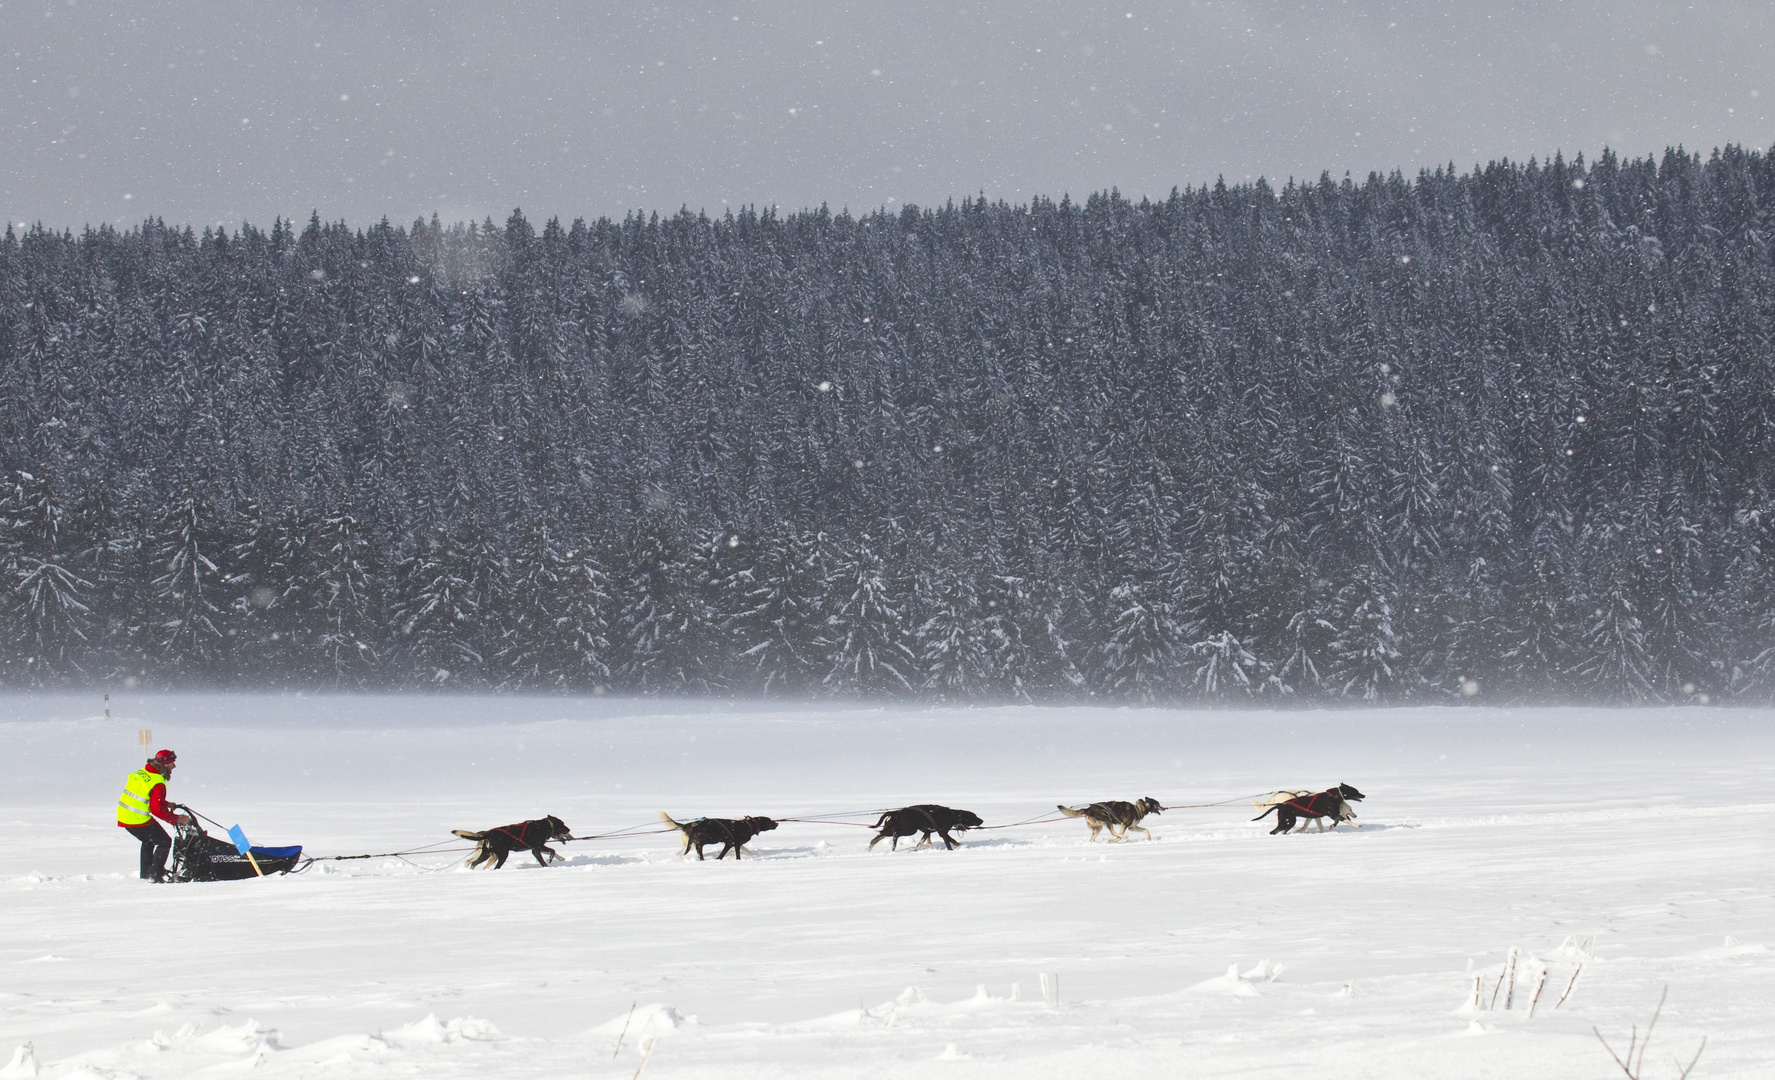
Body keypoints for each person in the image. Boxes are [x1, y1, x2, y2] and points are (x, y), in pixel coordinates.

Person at [117, 749, 191, 882]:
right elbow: (156, 810)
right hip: (137, 819)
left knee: (149, 840)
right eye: (172, 763)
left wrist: (166, 804)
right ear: (165, 764)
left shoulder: (143, 772)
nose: (174, 766)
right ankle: (155, 875)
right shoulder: (157, 781)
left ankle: (146, 873)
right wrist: (176, 819)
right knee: (164, 842)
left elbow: (144, 794)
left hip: (125, 815)